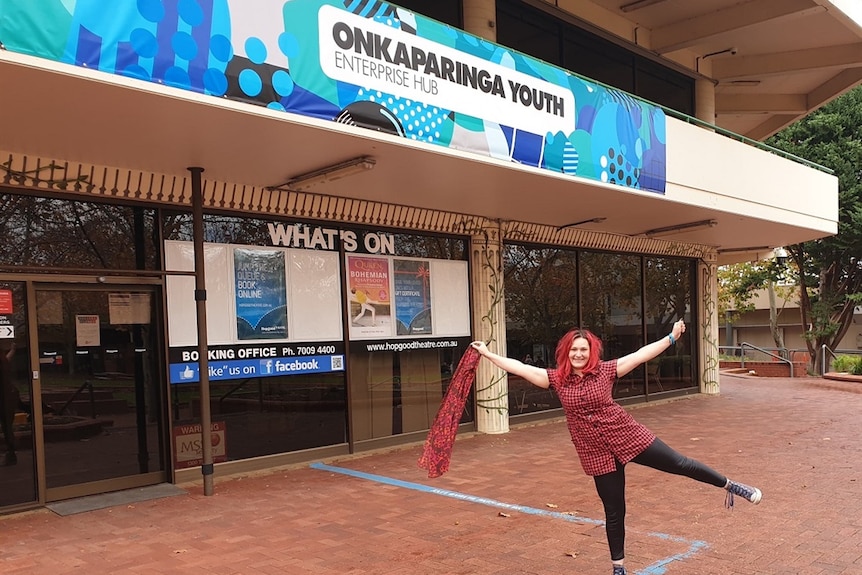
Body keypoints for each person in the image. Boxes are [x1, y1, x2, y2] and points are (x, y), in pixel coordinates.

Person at [471, 320, 761, 575]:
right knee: (614, 511)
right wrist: (487, 354)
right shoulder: (556, 380)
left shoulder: (606, 371)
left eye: (583, 349)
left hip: (628, 435)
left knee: (680, 463)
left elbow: (640, 355)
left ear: (591, 351)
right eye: (574, 349)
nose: (579, 354)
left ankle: (731, 486)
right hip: (595, 452)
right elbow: (520, 367)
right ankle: (618, 567)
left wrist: (671, 338)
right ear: (566, 353)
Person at [0, 341, 18, 466]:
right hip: (7, 398)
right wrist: (12, 350)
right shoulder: (3, 360)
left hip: (4, 398)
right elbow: (6, 360)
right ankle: (11, 454)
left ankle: (11, 455)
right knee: (7, 427)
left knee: (6, 427)